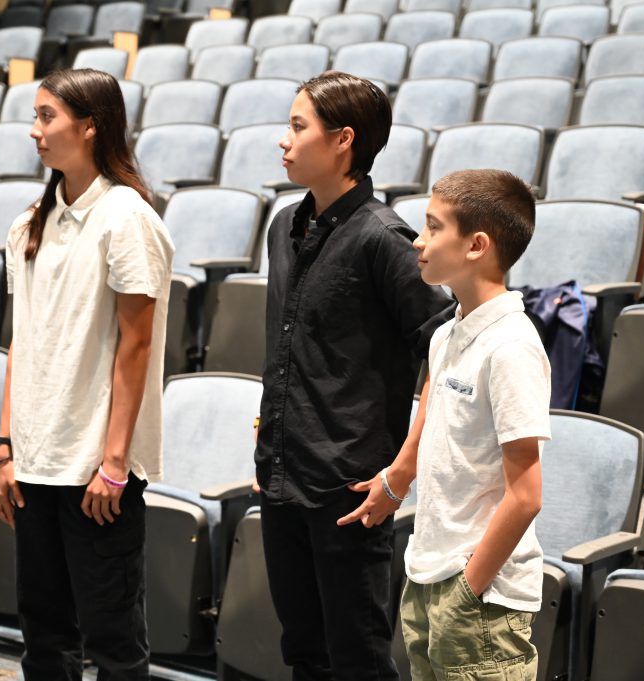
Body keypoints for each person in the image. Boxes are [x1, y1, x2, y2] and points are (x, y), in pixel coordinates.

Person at [257, 70, 452, 681]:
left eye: (297, 127)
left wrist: (401, 474)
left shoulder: (385, 239)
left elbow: (448, 358)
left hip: (350, 488)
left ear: (342, 141)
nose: (283, 142)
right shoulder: (284, 225)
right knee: (304, 655)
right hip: (282, 473)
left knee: (359, 661)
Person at [0, 68, 174, 681]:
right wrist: (4, 449)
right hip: (34, 460)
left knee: (114, 642)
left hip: (98, 469)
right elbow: (23, 343)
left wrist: (115, 462)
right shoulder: (27, 225)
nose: (34, 130)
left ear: (91, 126)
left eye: (47, 116)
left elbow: (136, 345)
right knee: (43, 636)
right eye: (35, 116)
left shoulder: (127, 217)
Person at [396, 169, 550, 680]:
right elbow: (431, 412)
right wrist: (395, 479)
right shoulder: (448, 333)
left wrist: (468, 588)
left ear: (476, 245)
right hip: (427, 574)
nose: (419, 241)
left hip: (480, 599)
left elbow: (526, 494)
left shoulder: (512, 347)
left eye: (434, 227)